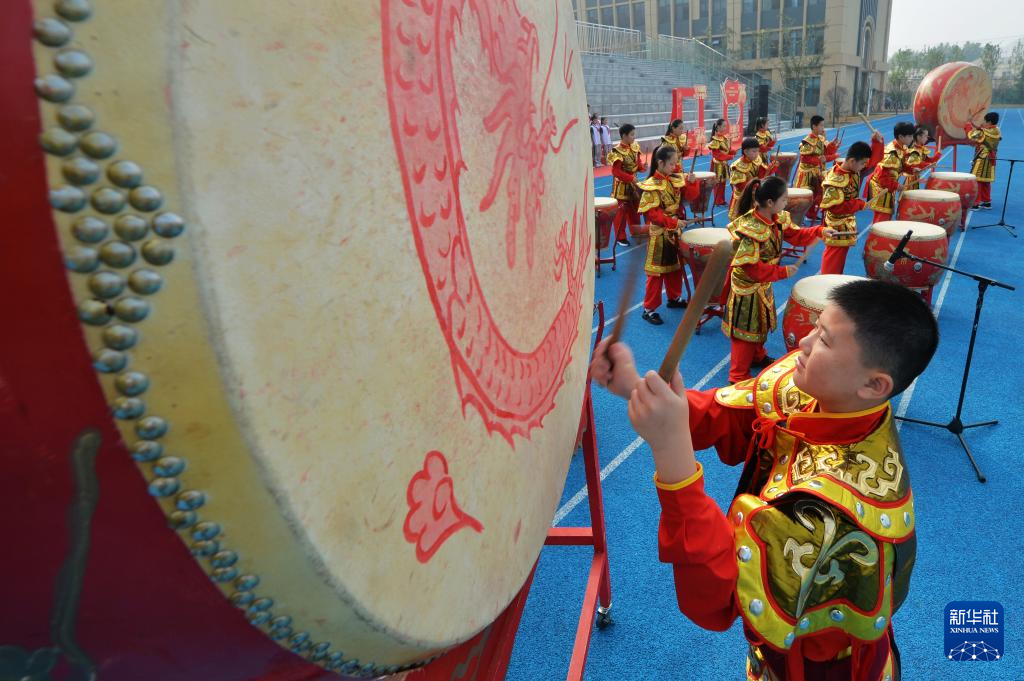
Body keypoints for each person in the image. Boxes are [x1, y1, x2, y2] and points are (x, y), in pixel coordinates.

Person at [589, 277, 938, 681]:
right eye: (816, 327)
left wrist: (672, 455)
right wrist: (634, 387)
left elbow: (715, 600)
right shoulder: (825, 392)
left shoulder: (836, 508)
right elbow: (728, 417)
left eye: (824, 341)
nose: (803, 343)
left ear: (874, 384)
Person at [722, 177, 821, 384]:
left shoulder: (777, 218)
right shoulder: (751, 228)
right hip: (748, 287)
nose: (787, 202)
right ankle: (737, 376)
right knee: (745, 331)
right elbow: (752, 269)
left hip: (763, 283)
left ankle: (757, 356)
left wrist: (820, 230)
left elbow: (797, 236)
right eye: (784, 199)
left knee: (761, 323)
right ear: (769, 202)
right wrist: (782, 272)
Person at [637, 146, 700, 325]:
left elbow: (690, 196)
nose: (675, 167)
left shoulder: (674, 179)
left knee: (675, 268)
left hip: (674, 230)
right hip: (659, 234)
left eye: (676, 163)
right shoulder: (651, 185)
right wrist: (672, 222)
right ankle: (649, 309)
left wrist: (692, 182)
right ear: (660, 163)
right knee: (656, 273)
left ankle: (674, 297)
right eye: (672, 164)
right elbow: (652, 214)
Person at [818, 141, 874, 274]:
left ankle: (834, 279)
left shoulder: (851, 170)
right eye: (862, 164)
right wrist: (859, 204)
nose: (864, 167)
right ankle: (827, 281)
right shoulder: (835, 179)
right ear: (852, 161)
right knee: (833, 258)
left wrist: (877, 142)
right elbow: (834, 208)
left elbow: (874, 161)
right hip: (836, 225)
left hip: (845, 222)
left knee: (839, 259)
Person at [865, 121, 915, 223]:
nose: (912, 138)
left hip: (888, 186)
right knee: (882, 219)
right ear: (901, 137)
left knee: (886, 216)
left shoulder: (902, 147)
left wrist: (912, 170)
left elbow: (902, 165)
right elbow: (882, 178)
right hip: (880, 188)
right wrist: (897, 186)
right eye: (910, 136)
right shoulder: (891, 153)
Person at [607, 123, 647, 247]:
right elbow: (616, 172)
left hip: (633, 185)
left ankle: (635, 231)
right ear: (624, 136)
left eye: (634, 134)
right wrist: (631, 178)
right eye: (632, 135)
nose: (634, 137)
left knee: (635, 210)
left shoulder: (635, 147)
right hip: (621, 187)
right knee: (621, 213)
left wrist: (642, 167)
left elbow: (637, 163)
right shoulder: (616, 151)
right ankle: (620, 237)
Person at [794, 115, 839, 221]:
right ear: (814, 126)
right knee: (806, 195)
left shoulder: (821, 138)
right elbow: (805, 159)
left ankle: (811, 214)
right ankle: (799, 215)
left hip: (818, 171)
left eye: (823, 125)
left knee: (817, 194)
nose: (823, 128)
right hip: (807, 173)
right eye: (821, 125)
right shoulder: (807, 141)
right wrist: (822, 159)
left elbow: (826, 152)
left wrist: (832, 145)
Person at [729, 137, 777, 221]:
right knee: (740, 220)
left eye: (758, 151)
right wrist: (757, 186)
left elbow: (763, 174)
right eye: (754, 151)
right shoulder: (737, 166)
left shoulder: (757, 159)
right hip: (743, 198)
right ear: (745, 152)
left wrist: (771, 167)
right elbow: (741, 186)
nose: (757, 154)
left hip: (755, 195)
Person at [965, 112, 1002, 209]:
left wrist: (968, 125)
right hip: (991, 158)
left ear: (989, 122)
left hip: (982, 158)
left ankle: (976, 203)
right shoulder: (997, 130)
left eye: (984, 121)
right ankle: (986, 201)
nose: (983, 122)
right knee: (986, 181)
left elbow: (971, 135)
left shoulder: (983, 132)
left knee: (977, 180)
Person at [708, 118, 735, 208]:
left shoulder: (724, 138)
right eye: (723, 126)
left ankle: (721, 200)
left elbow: (727, 150)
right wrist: (729, 156)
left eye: (725, 126)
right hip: (717, 164)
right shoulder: (715, 140)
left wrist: (732, 152)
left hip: (723, 163)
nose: (725, 128)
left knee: (723, 182)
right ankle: (718, 200)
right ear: (718, 127)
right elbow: (717, 155)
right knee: (717, 183)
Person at [902, 126, 938, 191]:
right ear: (918, 137)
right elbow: (914, 165)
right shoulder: (914, 150)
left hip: (916, 178)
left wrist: (938, 155)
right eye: (925, 136)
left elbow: (930, 160)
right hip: (911, 179)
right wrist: (928, 165)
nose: (927, 138)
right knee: (909, 195)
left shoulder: (921, 148)